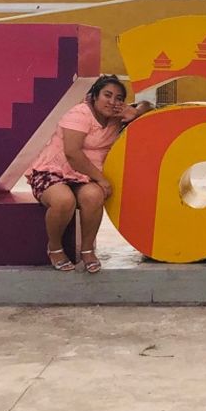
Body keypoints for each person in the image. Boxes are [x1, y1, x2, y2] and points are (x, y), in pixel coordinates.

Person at [25, 75, 151, 273]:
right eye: (107, 95)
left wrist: (136, 111)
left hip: (85, 176)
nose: (112, 101)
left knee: (94, 196)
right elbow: (72, 153)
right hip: (53, 170)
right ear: (94, 96)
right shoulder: (80, 113)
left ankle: (88, 250)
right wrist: (102, 179)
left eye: (119, 98)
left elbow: (148, 105)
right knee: (63, 201)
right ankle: (55, 248)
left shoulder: (118, 115)